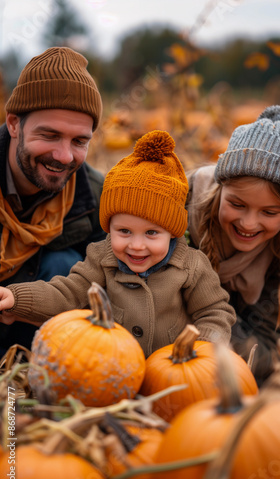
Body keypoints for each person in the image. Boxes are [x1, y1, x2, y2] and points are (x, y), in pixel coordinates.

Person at [0, 130, 236, 358]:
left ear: (172, 232)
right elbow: (66, 294)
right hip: (113, 372)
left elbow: (213, 312)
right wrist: (17, 297)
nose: (136, 245)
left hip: (173, 375)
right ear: (109, 228)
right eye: (124, 231)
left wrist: (203, 351)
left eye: (151, 233)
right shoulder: (102, 260)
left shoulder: (191, 267)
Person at [0, 46, 106, 354]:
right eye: (49, 135)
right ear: (14, 124)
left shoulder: (96, 196)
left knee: (66, 265)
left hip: (39, 344)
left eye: (79, 141)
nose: (63, 156)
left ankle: (27, 380)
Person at [185, 105, 280, 386]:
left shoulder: (275, 251)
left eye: (270, 212)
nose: (249, 224)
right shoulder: (182, 204)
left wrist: (221, 339)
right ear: (220, 188)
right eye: (237, 204)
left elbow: (261, 345)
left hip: (218, 355)